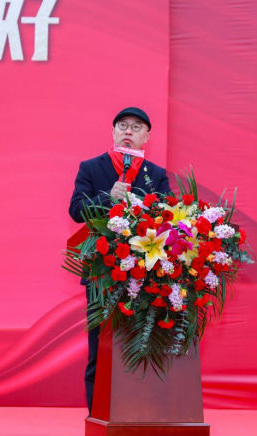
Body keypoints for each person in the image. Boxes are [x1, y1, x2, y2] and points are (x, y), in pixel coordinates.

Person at [68, 107, 171, 414]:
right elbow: (76, 210)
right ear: (113, 132)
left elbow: (168, 217)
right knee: (101, 349)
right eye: (123, 126)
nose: (128, 131)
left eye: (136, 127)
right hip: (102, 272)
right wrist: (107, 198)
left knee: (143, 344)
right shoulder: (91, 167)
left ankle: (142, 414)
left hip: (146, 273)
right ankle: (97, 415)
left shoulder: (156, 174)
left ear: (146, 137)